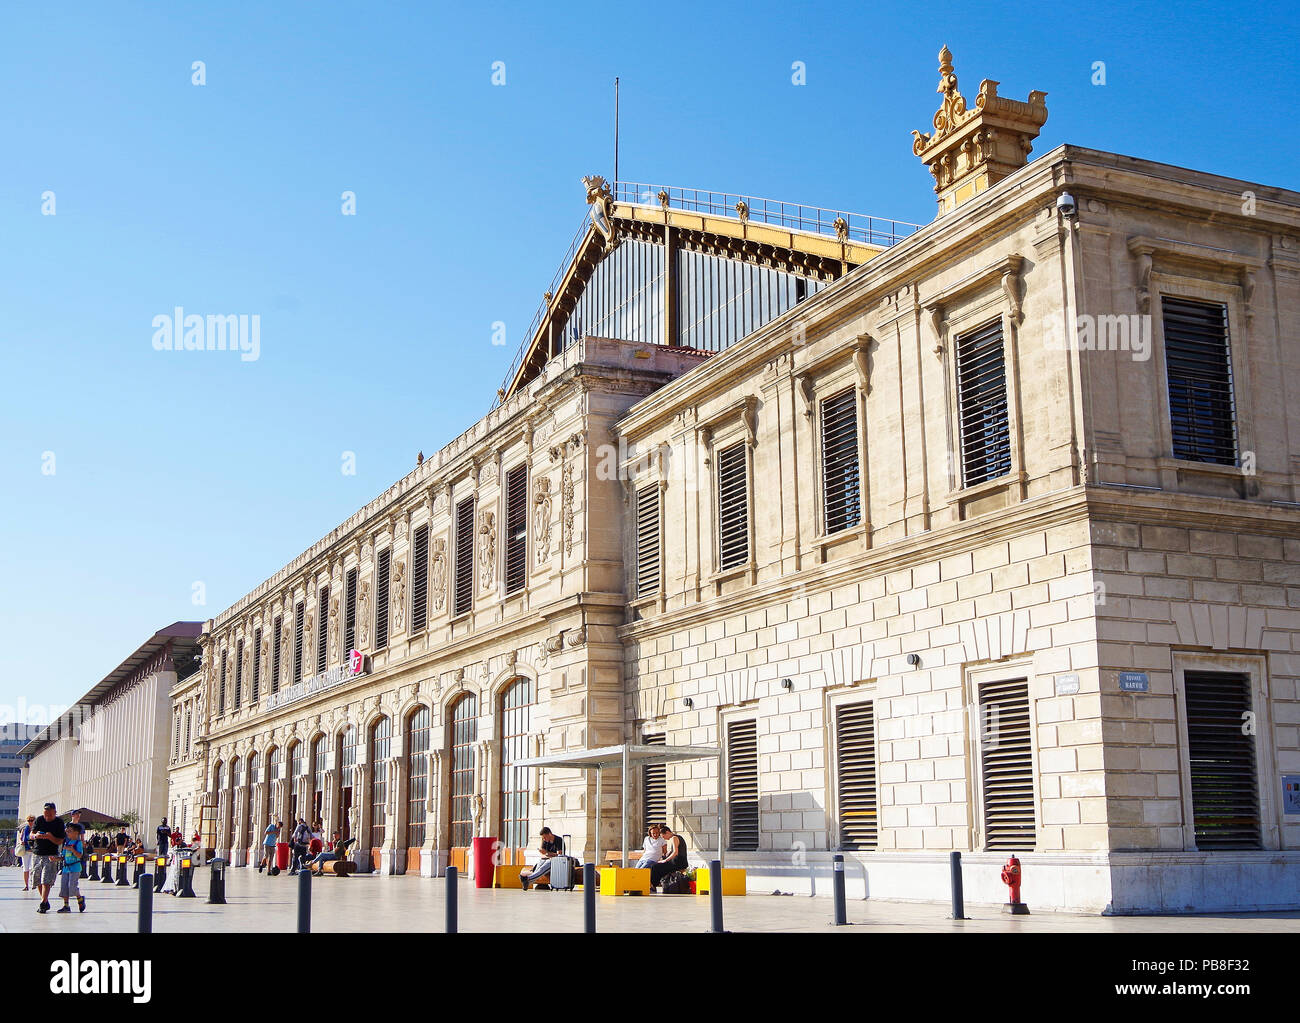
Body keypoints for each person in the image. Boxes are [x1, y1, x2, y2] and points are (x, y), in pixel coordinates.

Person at [30, 803, 67, 914]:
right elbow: (31, 834)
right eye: (45, 814)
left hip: (51, 854)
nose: (47, 817)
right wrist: (36, 836)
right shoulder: (39, 820)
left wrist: (50, 837)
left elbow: (60, 841)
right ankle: (45, 901)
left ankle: (43, 902)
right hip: (37, 853)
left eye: (50, 815)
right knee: (37, 879)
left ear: (55, 812)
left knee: (46, 879)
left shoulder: (59, 823)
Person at [56, 823, 85, 914]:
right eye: (67, 831)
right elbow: (63, 856)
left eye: (70, 831)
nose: (67, 833)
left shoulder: (78, 843)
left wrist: (72, 850)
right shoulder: (67, 842)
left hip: (75, 868)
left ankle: (80, 899)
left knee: (72, 887)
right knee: (64, 887)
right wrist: (56, 859)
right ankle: (66, 905)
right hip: (66, 868)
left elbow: (80, 855)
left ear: (76, 833)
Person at [649, 823, 688, 889]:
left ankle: (653, 885)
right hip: (681, 861)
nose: (664, 839)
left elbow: (675, 852)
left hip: (678, 862)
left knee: (655, 867)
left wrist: (665, 860)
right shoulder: (678, 837)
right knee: (658, 866)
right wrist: (665, 857)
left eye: (663, 836)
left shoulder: (674, 838)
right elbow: (673, 851)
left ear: (667, 832)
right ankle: (655, 884)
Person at [18, 815, 35, 891]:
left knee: (33, 868)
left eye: (32, 820)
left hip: (34, 851)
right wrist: (21, 841)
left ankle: (33, 883)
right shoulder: (25, 829)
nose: (30, 822)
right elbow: (21, 837)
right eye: (29, 820)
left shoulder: (36, 829)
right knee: (26, 868)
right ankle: (26, 885)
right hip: (26, 850)